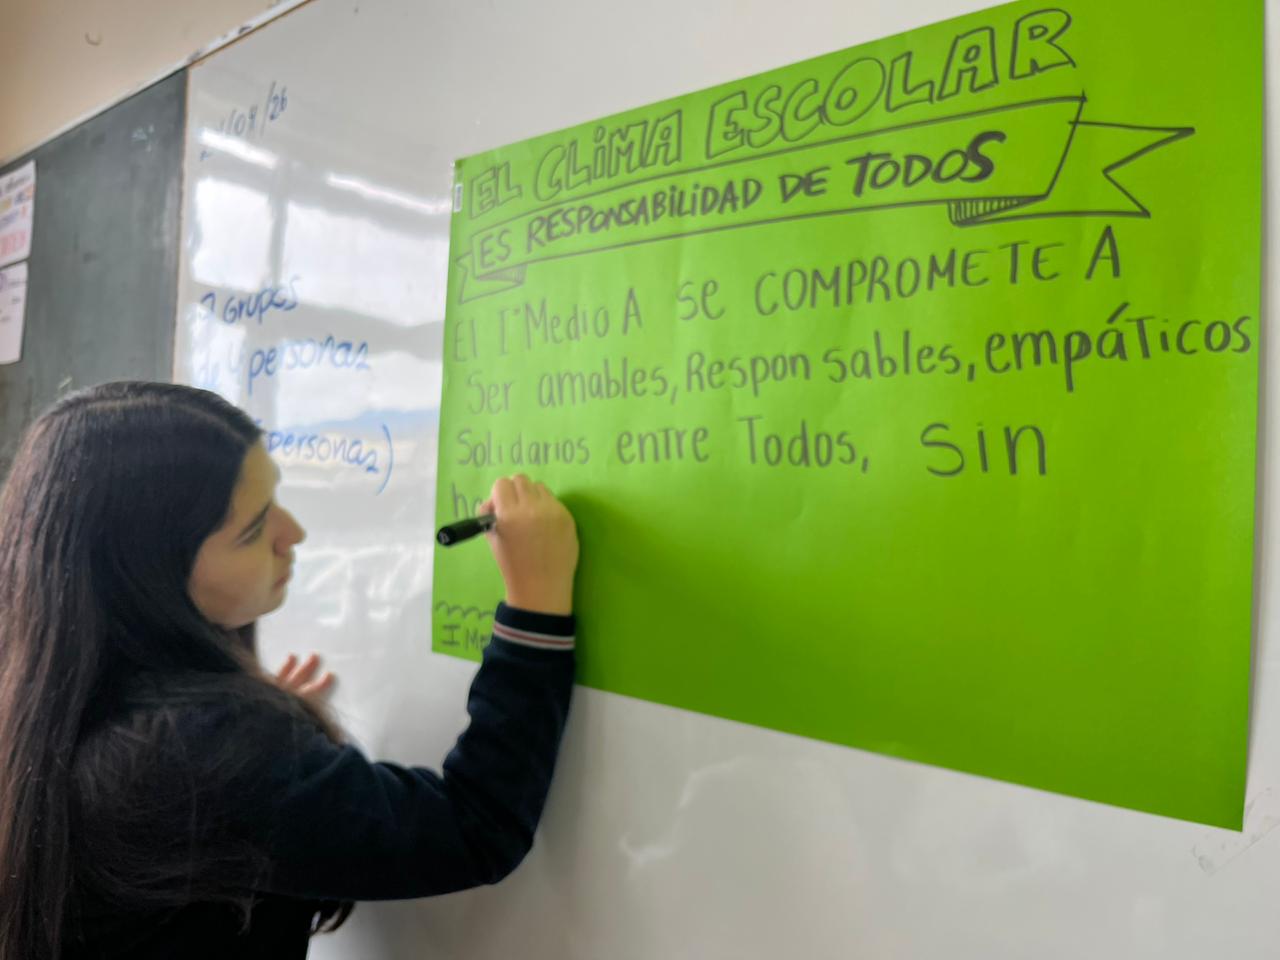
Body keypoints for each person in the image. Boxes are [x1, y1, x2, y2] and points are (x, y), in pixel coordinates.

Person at [0, 381, 580, 960]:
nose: (293, 534)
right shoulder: (195, 757)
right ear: (150, 576)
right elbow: (475, 828)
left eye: (274, 497)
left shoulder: (50, 698)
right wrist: (536, 604)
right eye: (253, 529)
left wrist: (245, 742)